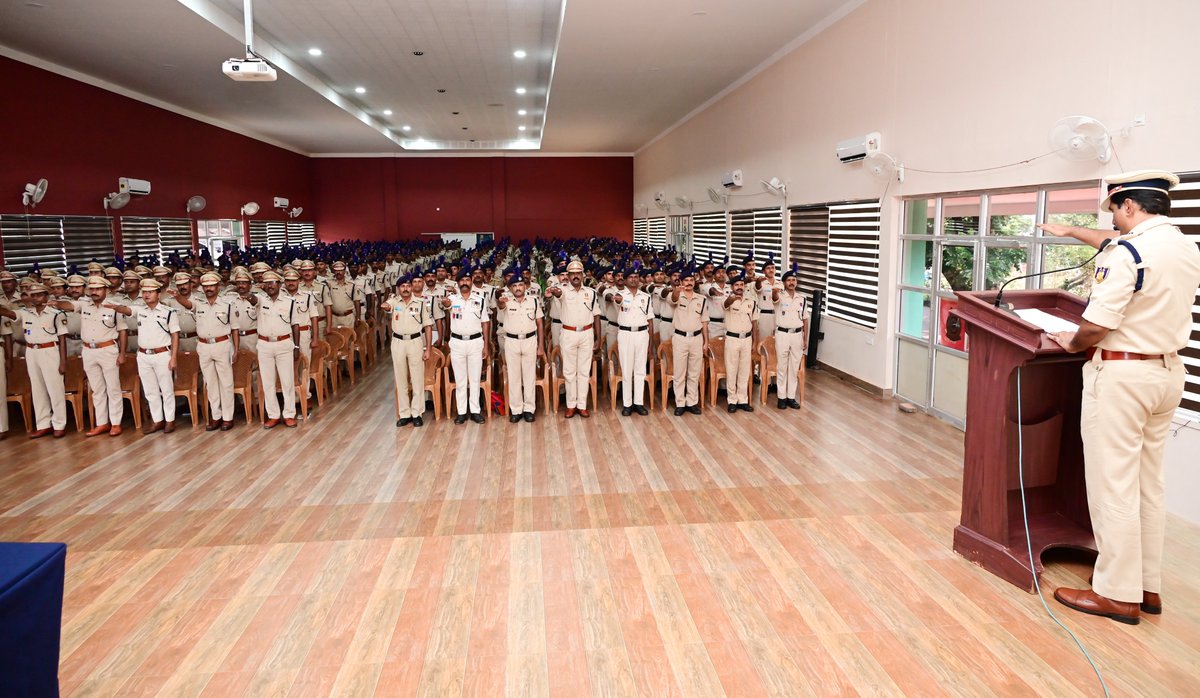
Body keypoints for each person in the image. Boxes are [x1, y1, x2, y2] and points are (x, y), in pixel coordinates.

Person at [1040, 170, 1200, 625]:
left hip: (1124, 376)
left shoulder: (1127, 251)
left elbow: (1095, 325)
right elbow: (1114, 243)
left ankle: (1116, 593)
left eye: (1115, 211)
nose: (1113, 222)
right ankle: (1147, 587)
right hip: (1167, 374)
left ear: (1128, 205)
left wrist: (1069, 341)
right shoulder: (1184, 246)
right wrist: (1070, 230)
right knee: (1149, 485)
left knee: (1113, 484)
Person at [55, 277, 128, 436]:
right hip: (88, 350)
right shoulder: (83, 304)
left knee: (113, 388)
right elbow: (68, 305)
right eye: (92, 289)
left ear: (106, 290)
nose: (94, 292)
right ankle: (102, 423)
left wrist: (122, 353)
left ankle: (116, 423)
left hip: (108, 349)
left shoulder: (114, 307)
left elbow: (123, 331)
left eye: (98, 289)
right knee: (97, 389)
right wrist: (54, 303)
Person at [0, 283, 68, 438]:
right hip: (32, 351)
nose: (36, 298)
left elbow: (62, 339)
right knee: (37, 389)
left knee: (55, 389)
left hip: (50, 350)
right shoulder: (26, 313)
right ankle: (43, 424)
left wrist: (63, 362)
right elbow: (10, 314)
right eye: (33, 295)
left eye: (39, 295)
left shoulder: (56, 313)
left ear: (46, 295)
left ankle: (59, 424)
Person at [177, 272, 239, 431]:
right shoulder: (199, 303)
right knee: (210, 383)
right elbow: (187, 304)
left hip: (222, 344)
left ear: (218, 287)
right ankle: (216, 416)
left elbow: (235, 329)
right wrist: (177, 296)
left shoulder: (228, 304)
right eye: (205, 287)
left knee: (226, 383)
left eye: (212, 286)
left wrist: (236, 349)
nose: (209, 289)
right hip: (204, 346)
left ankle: (228, 417)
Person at [550, 260, 601, 417]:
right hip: (569, 333)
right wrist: (554, 291)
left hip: (587, 333)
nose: (575, 276)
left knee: (584, 371)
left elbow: (596, 314)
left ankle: (582, 405)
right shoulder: (563, 290)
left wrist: (598, 337)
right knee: (569, 371)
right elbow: (558, 294)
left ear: (583, 274)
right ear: (569, 276)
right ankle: (571, 405)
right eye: (572, 274)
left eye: (578, 273)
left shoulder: (591, 293)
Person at [383, 274, 433, 428]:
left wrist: (428, 348)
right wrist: (385, 304)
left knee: (417, 378)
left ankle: (417, 413)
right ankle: (404, 414)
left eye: (408, 286)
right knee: (401, 379)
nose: (405, 289)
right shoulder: (394, 301)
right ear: (398, 289)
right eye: (402, 286)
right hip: (398, 341)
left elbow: (428, 326)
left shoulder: (420, 303)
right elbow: (386, 305)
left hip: (415, 341)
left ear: (412, 287)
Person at [131, 279, 180, 434]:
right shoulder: (140, 310)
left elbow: (175, 335)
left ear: (159, 294)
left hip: (162, 354)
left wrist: (173, 358)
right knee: (150, 390)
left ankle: (170, 420)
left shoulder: (168, 312)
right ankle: (157, 420)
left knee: (166, 389)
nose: (146, 295)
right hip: (144, 355)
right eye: (144, 292)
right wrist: (113, 306)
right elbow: (125, 310)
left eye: (150, 292)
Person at [442, 273, 490, 423]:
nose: (465, 282)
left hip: (476, 342)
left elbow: (485, 323)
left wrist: (486, 345)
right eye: (462, 280)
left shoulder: (480, 300)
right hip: (457, 343)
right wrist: (445, 302)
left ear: (471, 283)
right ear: (457, 283)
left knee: (475, 378)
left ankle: (475, 411)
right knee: (460, 379)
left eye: (467, 280)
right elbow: (446, 304)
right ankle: (462, 412)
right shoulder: (452, 300)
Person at [605, 268, 652, 416]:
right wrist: (616, 298)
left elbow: (650, 320)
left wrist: (650, 343)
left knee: (640, 370)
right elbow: (614, 299)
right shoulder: (620, 295)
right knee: (626, 370)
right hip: (625, 333)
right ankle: (627, 404)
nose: (633, 279)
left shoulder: (646, 297)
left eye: (636, 277)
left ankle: (638, 403)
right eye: (630, 277)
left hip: (642, 333)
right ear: (625, 280)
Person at [256, 270, 300, 428]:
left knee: (287, 381)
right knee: (268, 383)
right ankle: (273, 415)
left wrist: (296, 346)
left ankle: (289, 414)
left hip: (284, 344)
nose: (269, 285)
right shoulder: (260, 300)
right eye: (266, 283)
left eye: (273, 282)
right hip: (264, 345)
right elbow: (251, 298)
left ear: (280, 284)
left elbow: (295, 325)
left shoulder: (290, 302)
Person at [497, 273, 544, 422]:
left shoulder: (533, 301)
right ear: (510, 288)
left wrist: (541, 346)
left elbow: (540, 324)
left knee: (529, 376)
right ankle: (516, 409)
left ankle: (529, 409)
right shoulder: (506, 301)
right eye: (514, 286)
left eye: (520, 285)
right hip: (512, 341)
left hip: (530, 340)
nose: (518, 288)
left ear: (525, 286)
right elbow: (500, 305)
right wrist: (501, 301)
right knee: (514, 377)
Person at [670, 267, 708, 416]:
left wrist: (706, 342)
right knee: (679, 373)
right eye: (686, 280)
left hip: (697, 338)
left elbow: (704, 321)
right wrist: (677, 290)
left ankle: (691, 402)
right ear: (681, 281)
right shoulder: (677, 295)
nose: (689, 283)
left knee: (694, 372)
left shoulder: (701, 299)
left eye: (691, 280)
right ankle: (680, 403)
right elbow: (672, 298)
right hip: (680, 338)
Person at [772, 264, 809, 410]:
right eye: (789, 280)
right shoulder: (779, 296)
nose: (792, 282)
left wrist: (805, 338)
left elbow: (805, 319)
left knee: (794, 368)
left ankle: (791, 397)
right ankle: (781, 397)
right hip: (782, 334)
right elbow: (774, 298)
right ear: (784, 282)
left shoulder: (802, 299)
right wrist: (775, 291)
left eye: (794, 280)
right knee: (782, 367)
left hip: (797, 335)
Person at [722, 271, 759, 412]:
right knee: (731, 370)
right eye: (736, 284)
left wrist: (755, 342)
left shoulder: (751, 302)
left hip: (747, 339)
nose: (739, 287)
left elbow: (755, 324)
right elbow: (725, 305)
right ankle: (732, 400)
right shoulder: (727, 299)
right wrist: (732, 299)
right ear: (732, 287)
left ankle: (743, 399)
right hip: (732, 338)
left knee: (744, 371)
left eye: (741, 284)